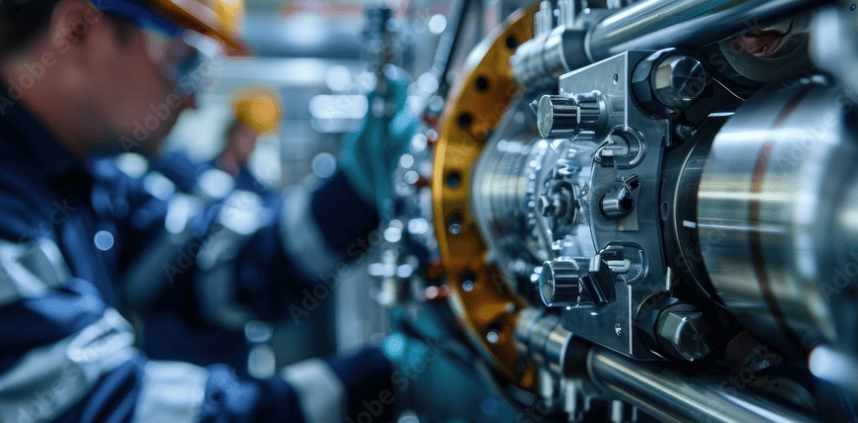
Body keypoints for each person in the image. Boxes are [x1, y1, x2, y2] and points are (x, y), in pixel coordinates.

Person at [0, 0, 415, 422]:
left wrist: (358, 187)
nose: (193, 101)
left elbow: (229, 264)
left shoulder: (87, 181)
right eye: (183, 59)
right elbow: (113, 410)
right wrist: (393, 382)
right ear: (78, 31)